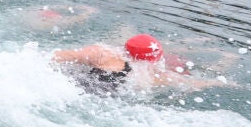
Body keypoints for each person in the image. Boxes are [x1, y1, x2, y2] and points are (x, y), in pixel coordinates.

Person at [51, 33, 217, 92]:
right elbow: (191, 83)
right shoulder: (148, 76)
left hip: (67, 83)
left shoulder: (102, 53)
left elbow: (57, 57)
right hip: (97, 98)